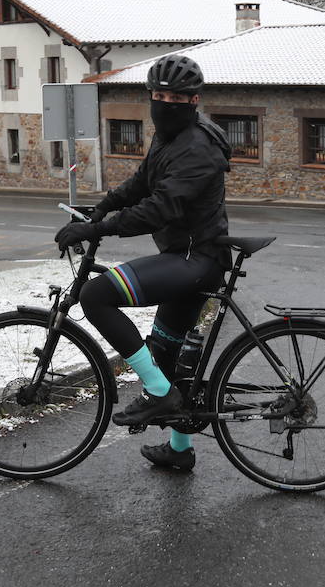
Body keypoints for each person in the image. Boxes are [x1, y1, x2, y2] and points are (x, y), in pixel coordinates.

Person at [53, 53, 231, 472]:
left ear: (192, 100)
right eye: (158, 94)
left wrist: (98, 231)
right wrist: (101, 208)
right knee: (166, 353)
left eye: (174, 96)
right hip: (184, 255)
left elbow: (159, 208)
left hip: (195, 259)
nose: (164, 102)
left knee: (95, 296)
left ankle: (159, 395)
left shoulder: (198, 147)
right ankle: (180, 449)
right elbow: (141, 183)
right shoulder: (169, 136)